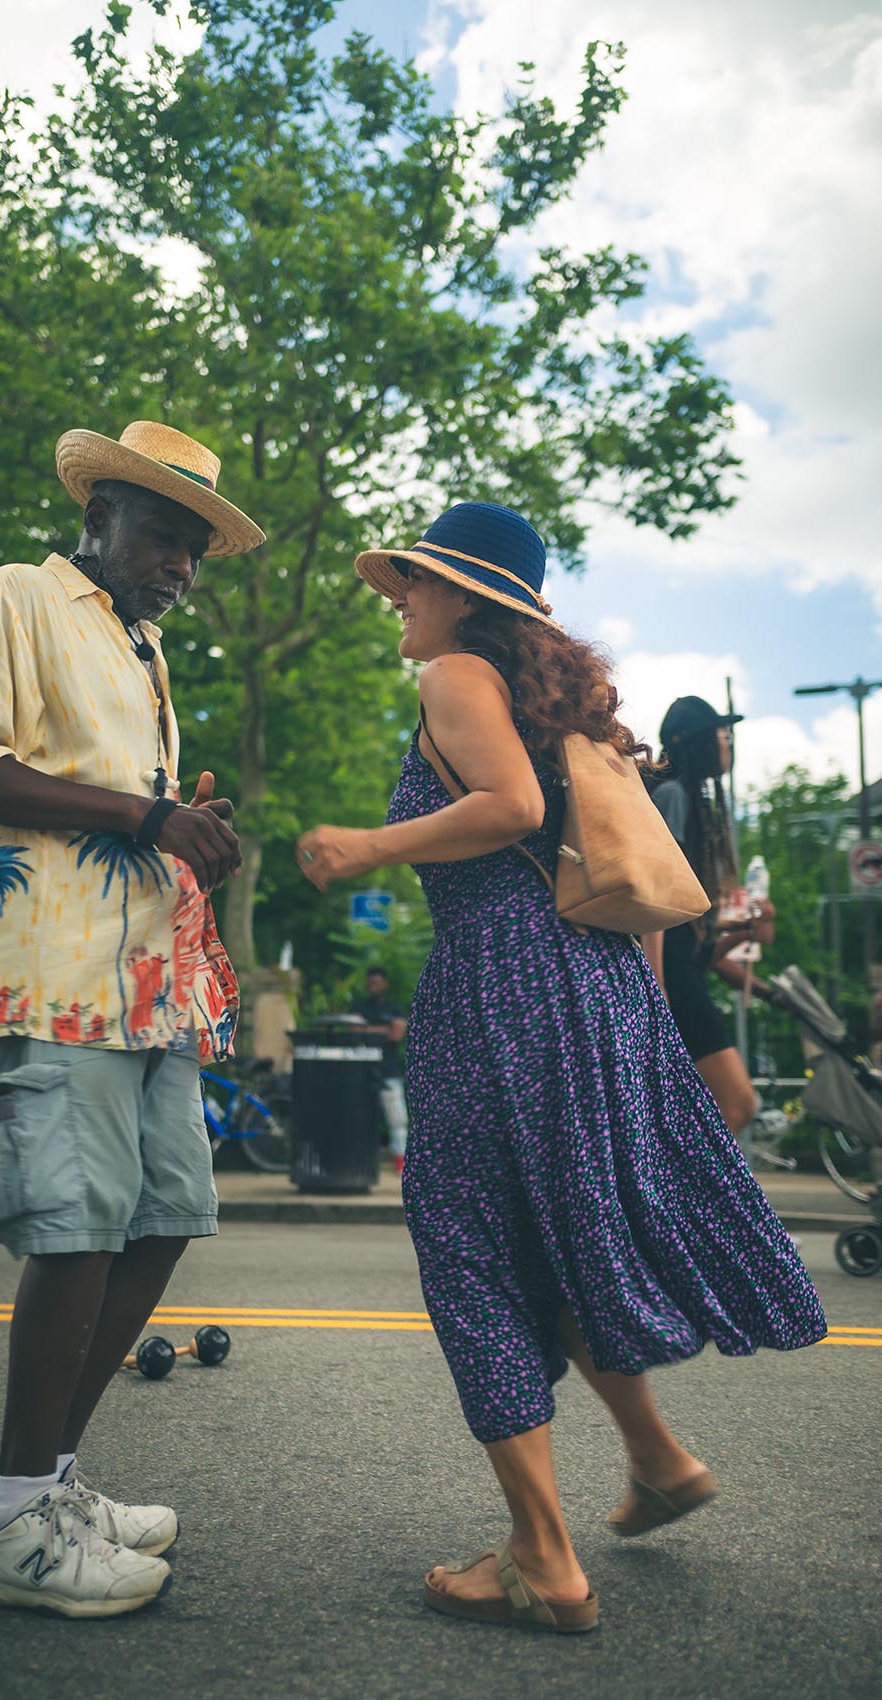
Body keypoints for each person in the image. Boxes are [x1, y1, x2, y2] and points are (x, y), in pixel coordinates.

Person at [296, 501, 825, 1635]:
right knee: (551, 1230)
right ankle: (658, 1457)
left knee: (471, 1243)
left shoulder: (453, 678)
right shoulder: (558, 708)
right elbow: (616, 875)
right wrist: (625, 1021)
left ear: (461, 596)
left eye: (413, 582)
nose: (398, 596)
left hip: (501, 987)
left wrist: (365, 844)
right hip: (594, 988)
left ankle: (541, 1555)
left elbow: (515, 810)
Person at [0, 419, 264, 1618]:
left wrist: (181, 828)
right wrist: (143, 815)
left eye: (199, 548)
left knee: (160, 1220)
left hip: (145, 990)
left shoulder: (145, 652)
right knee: (75, 1234)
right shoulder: (20, 596)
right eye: (169, 532)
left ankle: (50, 1482)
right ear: (101, 513)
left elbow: (125, 811)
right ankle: (8, 1522)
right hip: (43, 975)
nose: (183, 563)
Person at [643, 696, 776, 1136]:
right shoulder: (673, 796)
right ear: (700, 743)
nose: (729, 744)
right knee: (737, 1104)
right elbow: (654, 905)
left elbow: (693, 944)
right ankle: (685, 1198)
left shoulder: (689, 802)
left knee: (724, 1107)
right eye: (723, 735)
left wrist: (744, 931)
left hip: (683, 971)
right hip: (670, 977)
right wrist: (656, 994)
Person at [351, 966, 409, 1172]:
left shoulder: (395, 1008)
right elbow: (355, 1032)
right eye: (371, 982)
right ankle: (360, 1163)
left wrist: (369, 1030)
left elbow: (398, 1034)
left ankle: (401, 1164)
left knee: (397, 1120)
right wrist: (384, 1030)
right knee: (360, 1119)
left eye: (377, 981)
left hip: (389, 1071)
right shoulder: (359, 1007)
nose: (373, 985)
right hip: (363, 1072)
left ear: (386, 983)